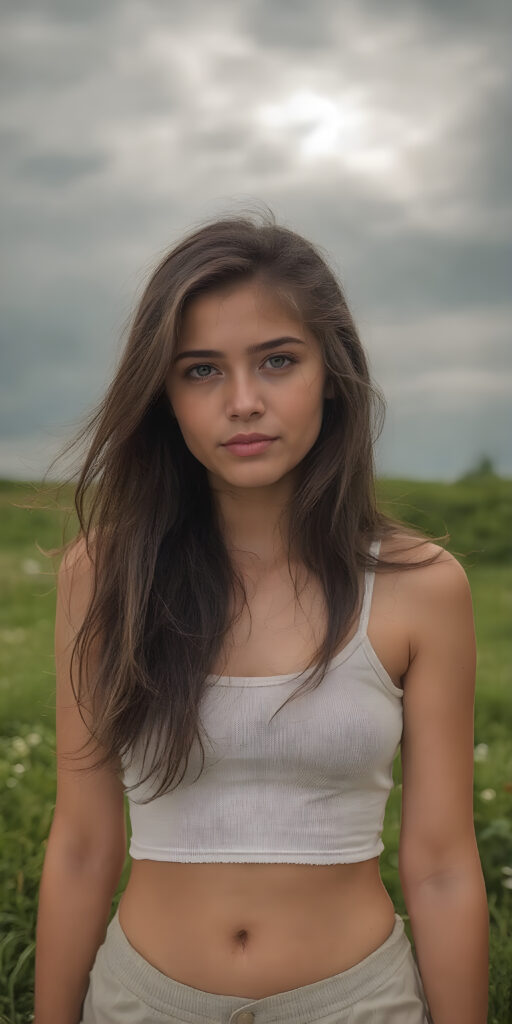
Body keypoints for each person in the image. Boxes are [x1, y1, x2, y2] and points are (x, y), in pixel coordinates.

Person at [34, 208, 489, 1024]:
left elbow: (443, 863)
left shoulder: (423, 585)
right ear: (164, 394)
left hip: (358, 1004)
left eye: (278, 361)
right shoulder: (102, 578)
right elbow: (81, 845)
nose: (244, 401)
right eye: (201, 370)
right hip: (141, 1003)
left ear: (332, 372)